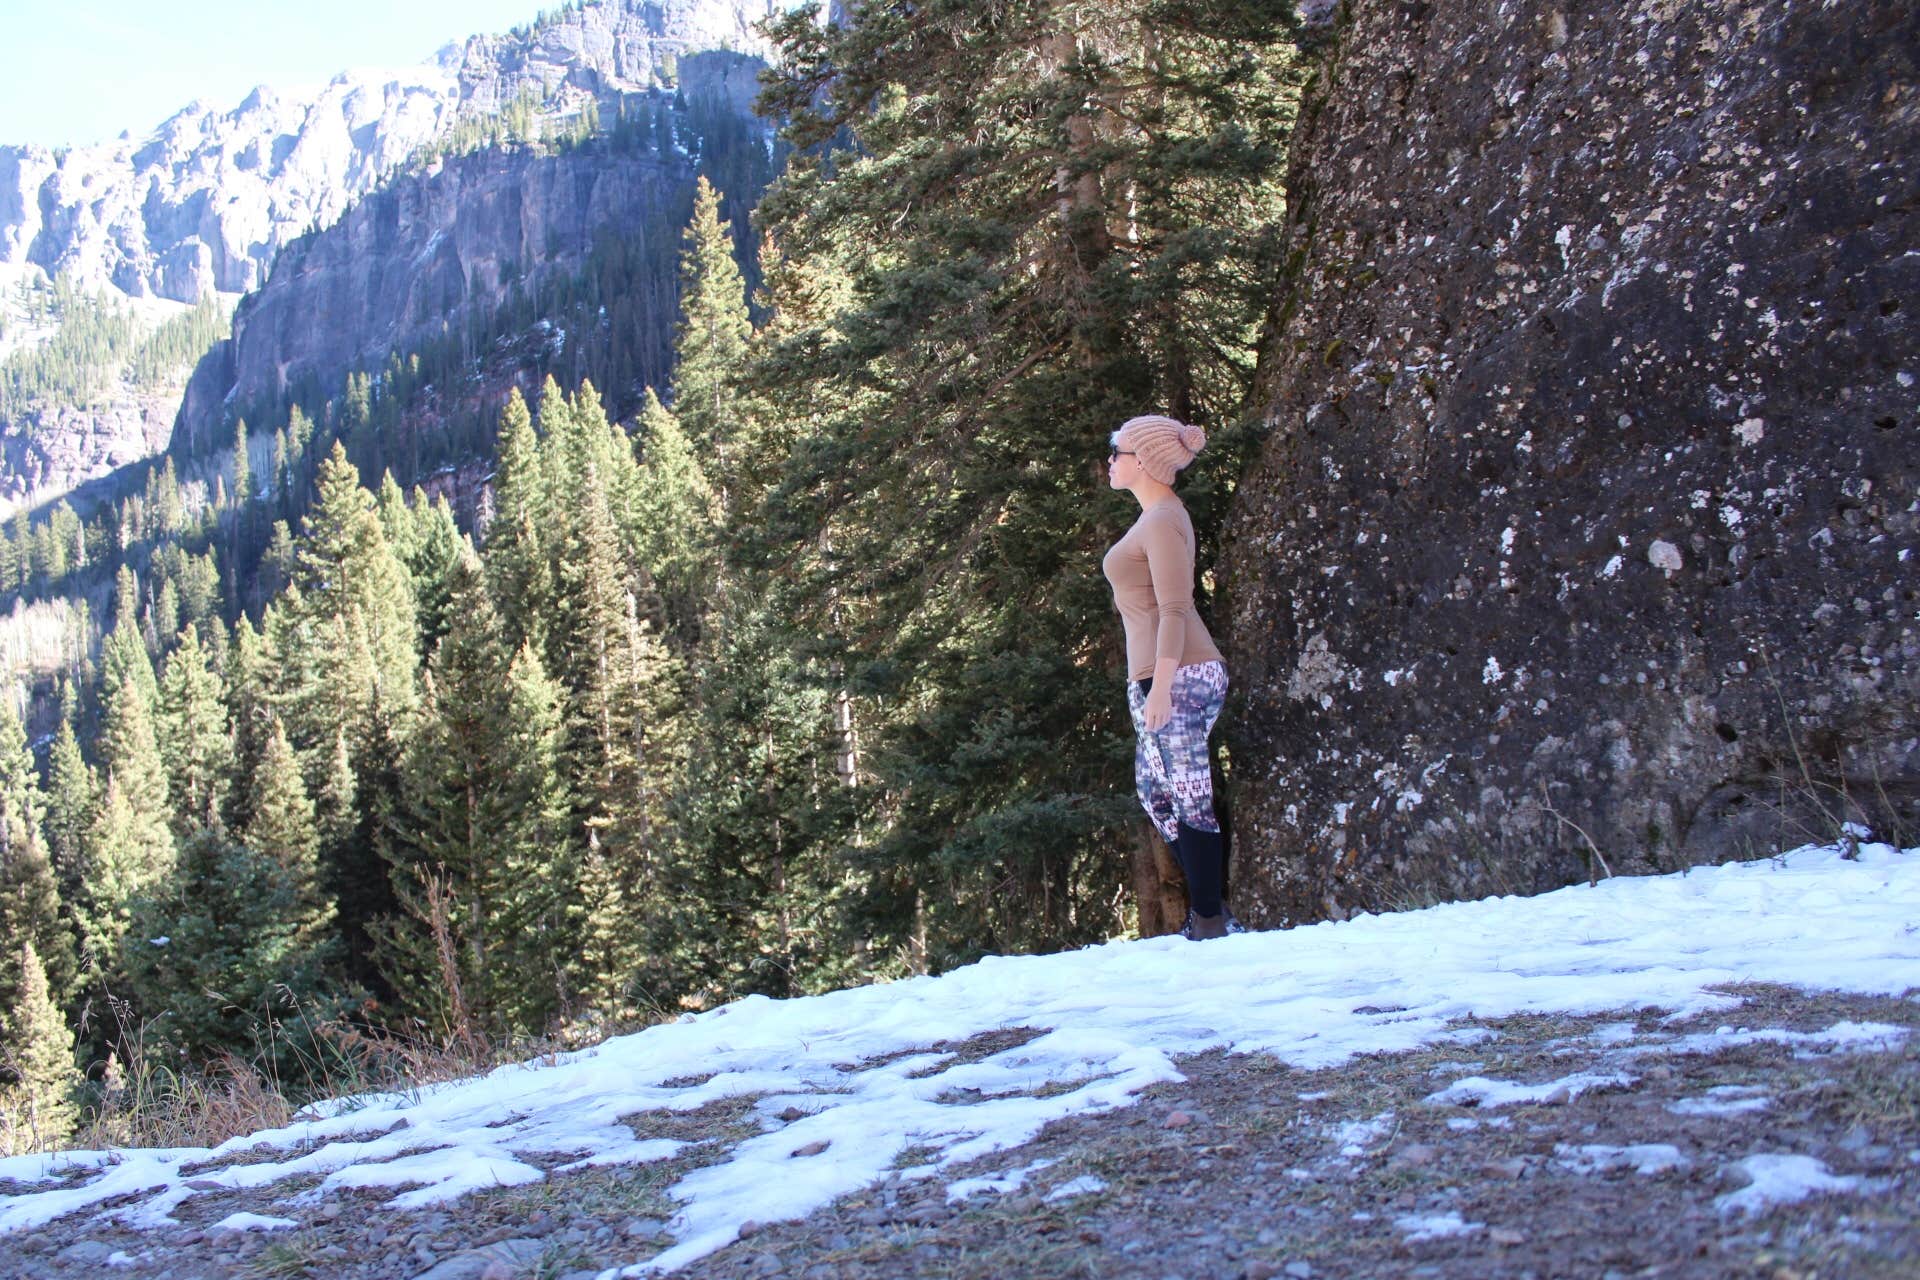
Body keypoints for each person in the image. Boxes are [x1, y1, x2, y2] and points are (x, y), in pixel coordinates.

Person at [1101, 414, 1237, 940]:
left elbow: (1176, 608)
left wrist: (1160, 686)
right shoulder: (1153, 517)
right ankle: (1212, 910)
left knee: (1188, 794)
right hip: (1162, 672)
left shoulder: (1162, 520)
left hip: (1178, 671)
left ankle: (1207, 921)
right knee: (1156, 794)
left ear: (1145, 461)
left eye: (1118, 452)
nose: (1110, 461)